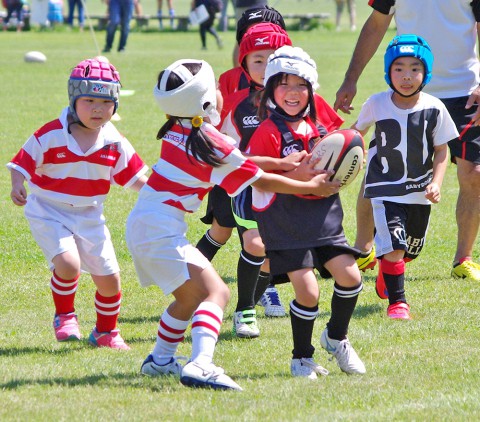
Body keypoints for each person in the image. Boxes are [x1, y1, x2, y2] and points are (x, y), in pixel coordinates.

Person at [125, 58, 341, 390]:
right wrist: (311, 187)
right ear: (207, 101)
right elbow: (262, 182)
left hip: (145, 225)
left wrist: (280, 163)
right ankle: (201, 364)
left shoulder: (181, 128)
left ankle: (160, 360)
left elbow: (239, 160)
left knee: (188, 298)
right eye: (215, 87)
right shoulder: (209, 140)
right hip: (159, 231)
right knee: (217, 292)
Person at [7, 58, 148, 349]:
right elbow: (21, 163)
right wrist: (17, 184)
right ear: (74, 100)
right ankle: (65, 315)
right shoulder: (51, 134)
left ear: (116, 103)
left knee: (110, 279)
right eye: (89, 101)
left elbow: (135, 178)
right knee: (68, 265)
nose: (97, 109)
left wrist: (159, 195)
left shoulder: (114, 142)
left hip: (90, 214)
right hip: (48, 209)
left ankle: (106, 332)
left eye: (105, 102)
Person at [334, 0, 480, 281]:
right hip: (407, 93)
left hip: (464, 91)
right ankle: (363, 250)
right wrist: (350, 79)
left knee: (474, 173)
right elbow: (376, 24)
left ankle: (464, 259)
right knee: (381, 169)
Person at [249, 46, 366, 378]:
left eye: (301, 85)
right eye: (284, 84)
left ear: (311, 90)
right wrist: (298, 179)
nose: (293, 92)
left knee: (350, 276)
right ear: (271, 88)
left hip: (325, 214)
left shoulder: (321, 117)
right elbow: (257, 176)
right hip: (284, 219)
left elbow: (347, 142)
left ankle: (336, 338)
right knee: (308, 290)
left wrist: (350, 163)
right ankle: (302, 357)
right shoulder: (267, 131)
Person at [352, 35, 458, 319]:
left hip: (419, 192)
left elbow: (441, 151)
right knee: (396, 247)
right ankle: (398, 304)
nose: (407, 76)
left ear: (426, 73)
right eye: (398, 68)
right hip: (385, 189)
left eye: (415, 68)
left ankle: (388, 270)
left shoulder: (435, 108)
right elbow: (355, 134)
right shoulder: (376, 103)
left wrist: (436, 182)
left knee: (410, 249)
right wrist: (353, 152)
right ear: (388, 72)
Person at [217, 22, 293, 336]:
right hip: (248, 188)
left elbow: (324, 134)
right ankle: (245, 311)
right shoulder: (236, 106)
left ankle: (253, 296)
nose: (265, 66)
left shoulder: (299, 99)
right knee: (255, 243)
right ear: (245, 64)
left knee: (272, 257)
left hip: (287, 188)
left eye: (273, 58)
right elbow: (222, 149)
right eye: (257, 59)